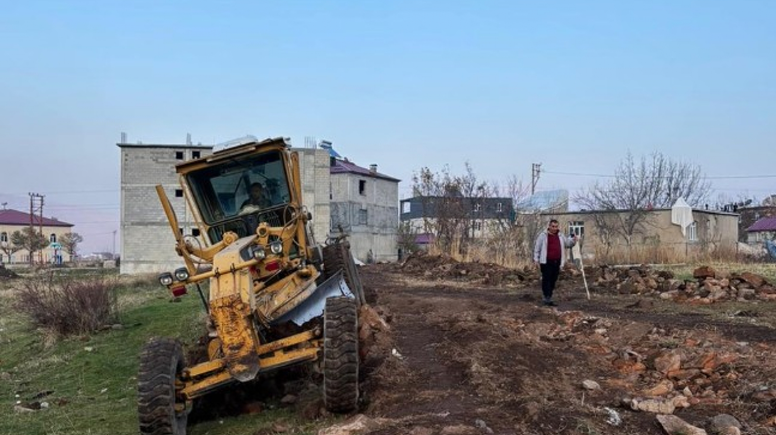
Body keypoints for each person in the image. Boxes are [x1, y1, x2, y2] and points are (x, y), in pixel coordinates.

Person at [533, 219, 577, 306]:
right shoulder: (543, 236)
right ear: (549, 226)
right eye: (552, 226)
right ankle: (547, 297)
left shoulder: (560, 236)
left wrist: (574, 240)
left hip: (557, 261)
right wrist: (536, 259)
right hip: (546, 261)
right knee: (546, 279)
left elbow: (568, 244)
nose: (554, 228)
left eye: (556, 226)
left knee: (553, 279)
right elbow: (537, 248)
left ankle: (549, 296)